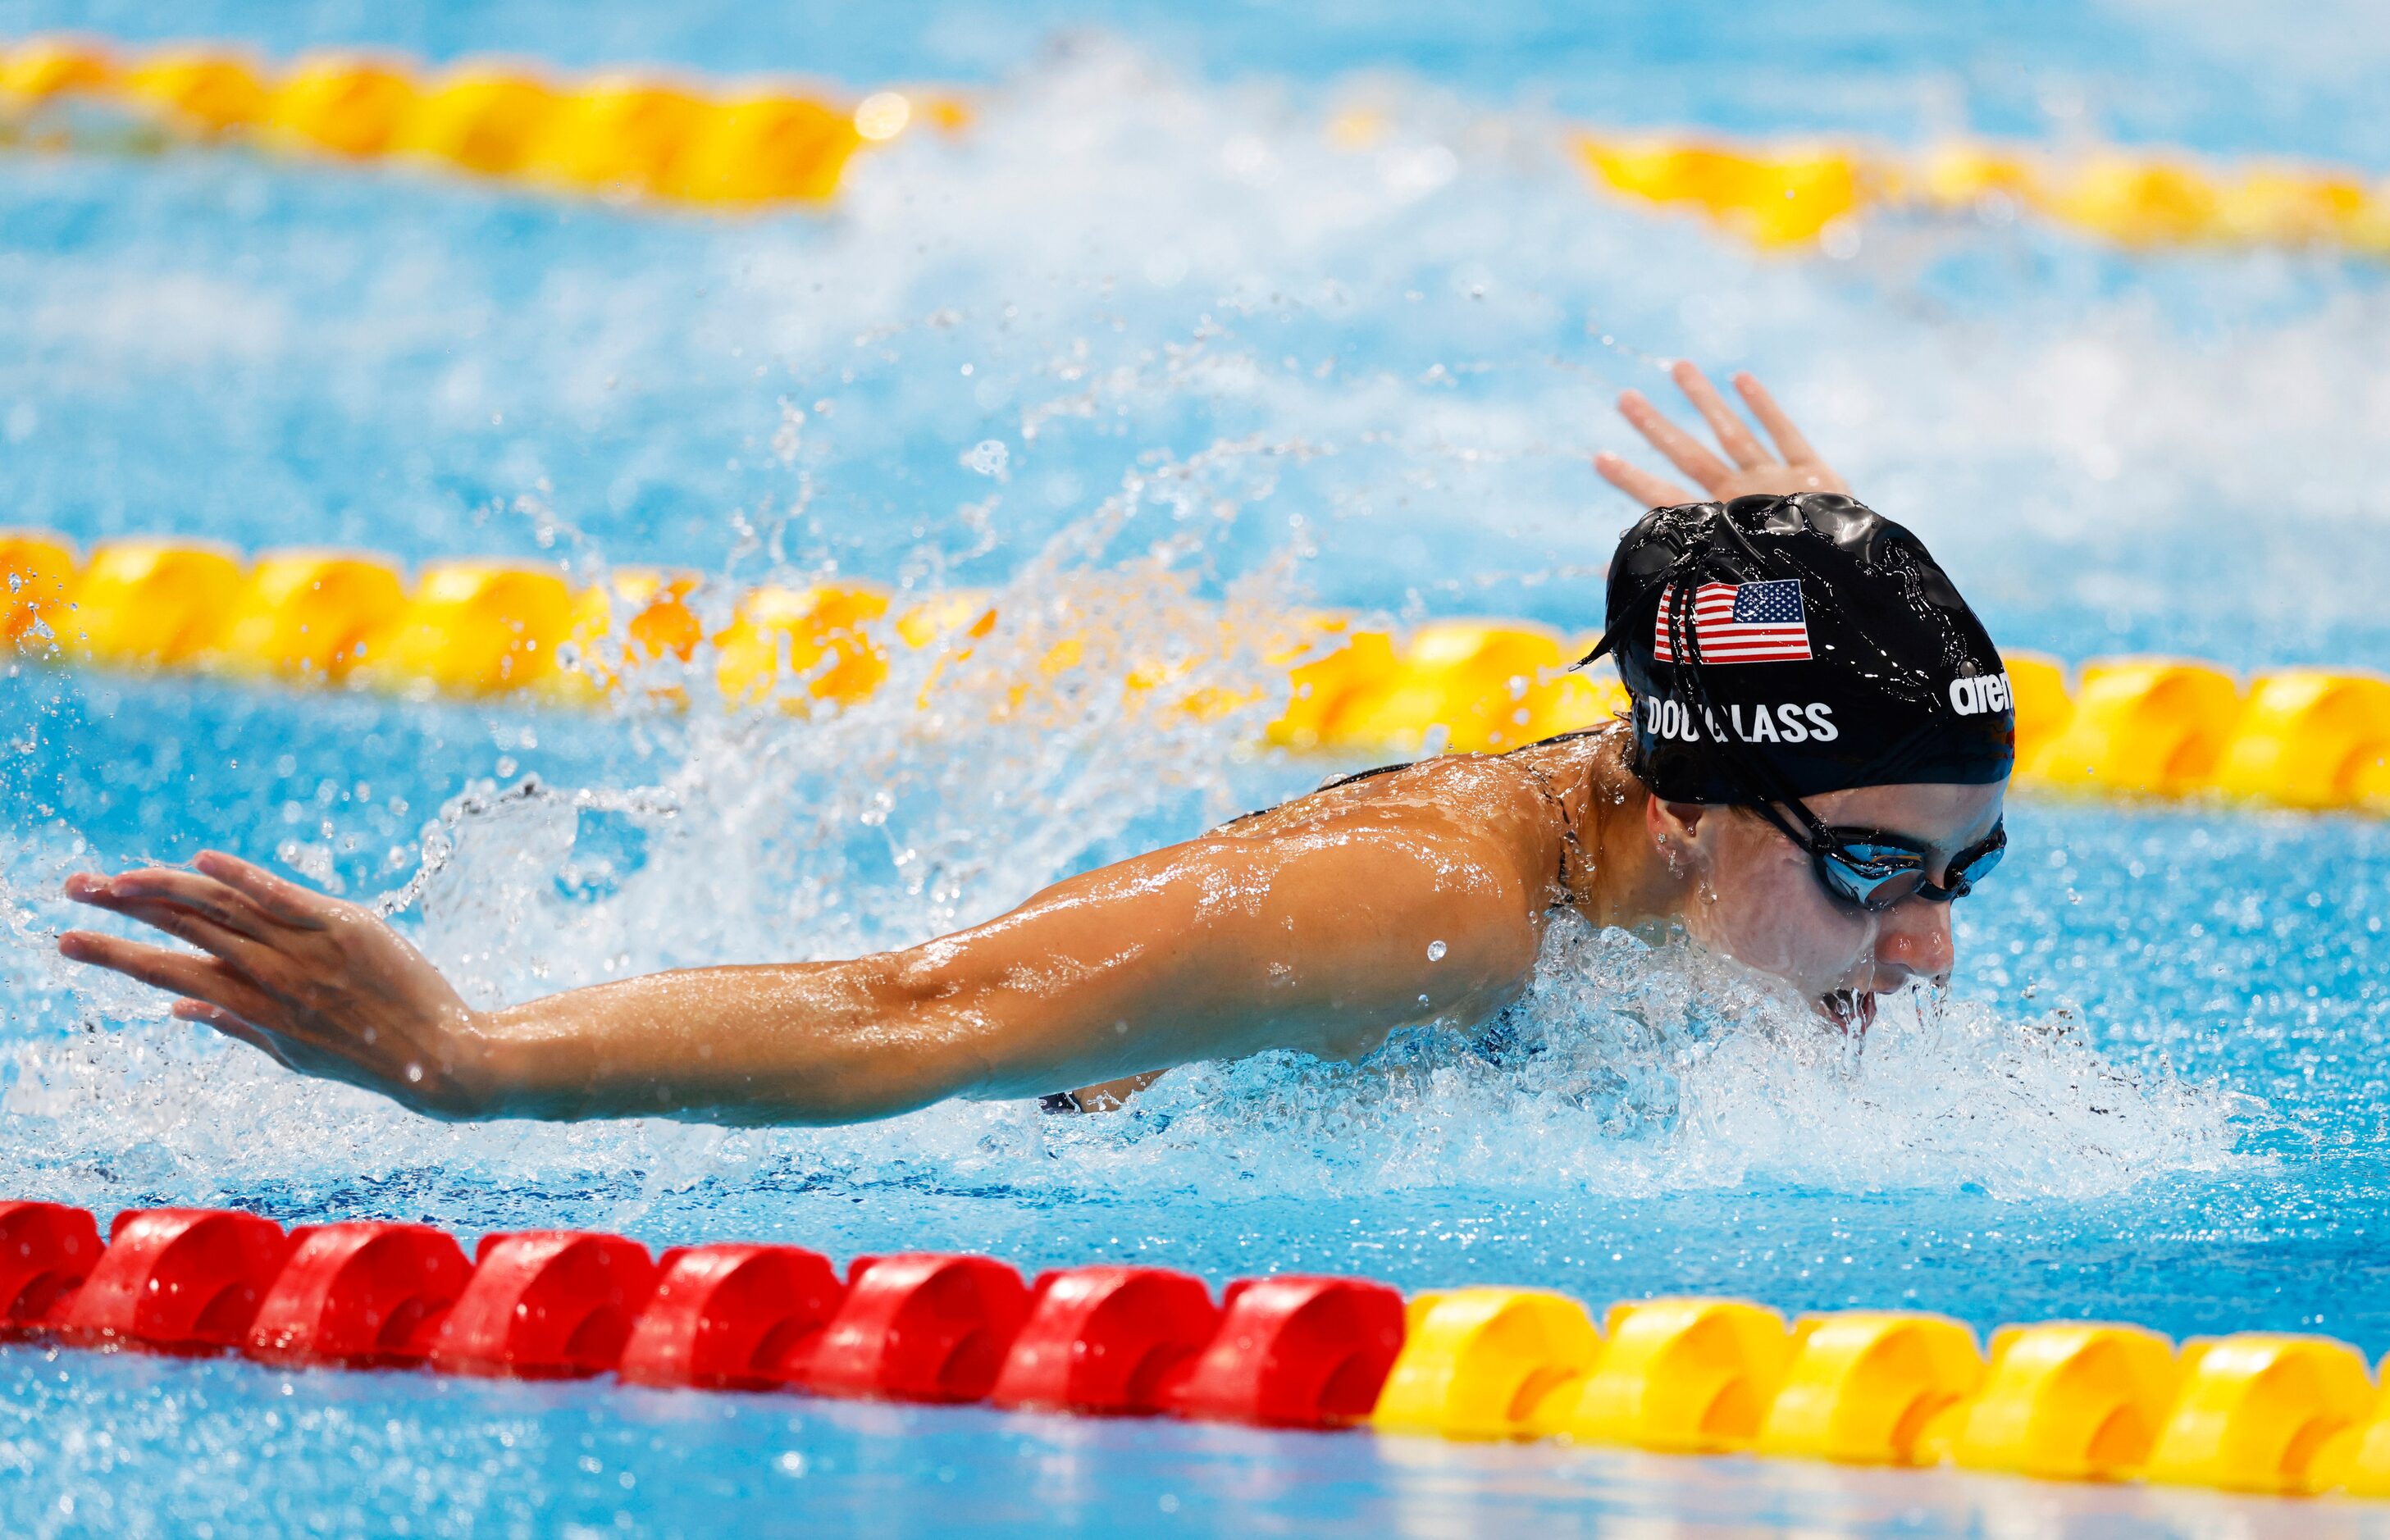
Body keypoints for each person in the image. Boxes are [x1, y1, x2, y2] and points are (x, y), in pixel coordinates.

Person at [56, 364, 2014, 1127]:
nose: (1925, 950)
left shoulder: (1715, 835)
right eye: (1869, 871)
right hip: (1039, 1135)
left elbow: (1805, 778)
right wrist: (467, 1056)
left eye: (1958, 872)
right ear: (1677, 809)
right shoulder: (1413, 912)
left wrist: (1814, 598)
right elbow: (915, 1006)